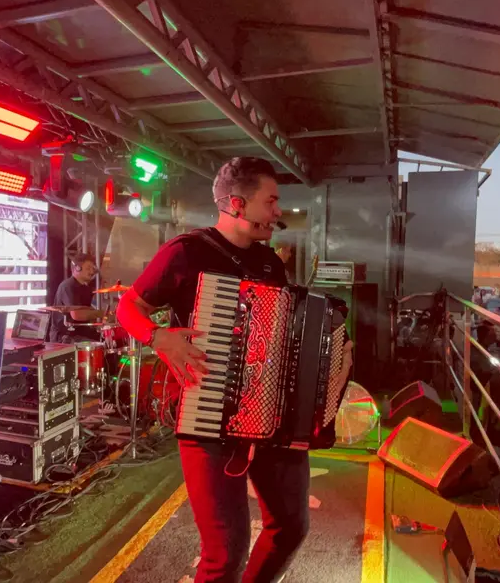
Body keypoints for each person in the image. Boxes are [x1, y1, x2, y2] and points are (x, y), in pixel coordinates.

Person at [116, 157, 354, 582]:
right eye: (272, 201)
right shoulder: (186, 252)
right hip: (208, 416)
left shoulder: (269, 263)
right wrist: (157, 337)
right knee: (225, 552)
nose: (278, 212)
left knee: (291, 527)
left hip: (270, 419)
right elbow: (128, 307)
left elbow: (286, 335)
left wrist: (333, 359)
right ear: (238, 204)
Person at [53, 253, 104, 342]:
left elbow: (88, 314)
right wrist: (101, 314)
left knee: (108, 340)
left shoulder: (85, 289)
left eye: (93, 268)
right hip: (65, 336)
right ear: (77, 268)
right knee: (98, 346)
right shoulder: (68, 286)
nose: (92, 272)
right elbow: (77, 315)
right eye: (88, 268)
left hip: (80, 333)